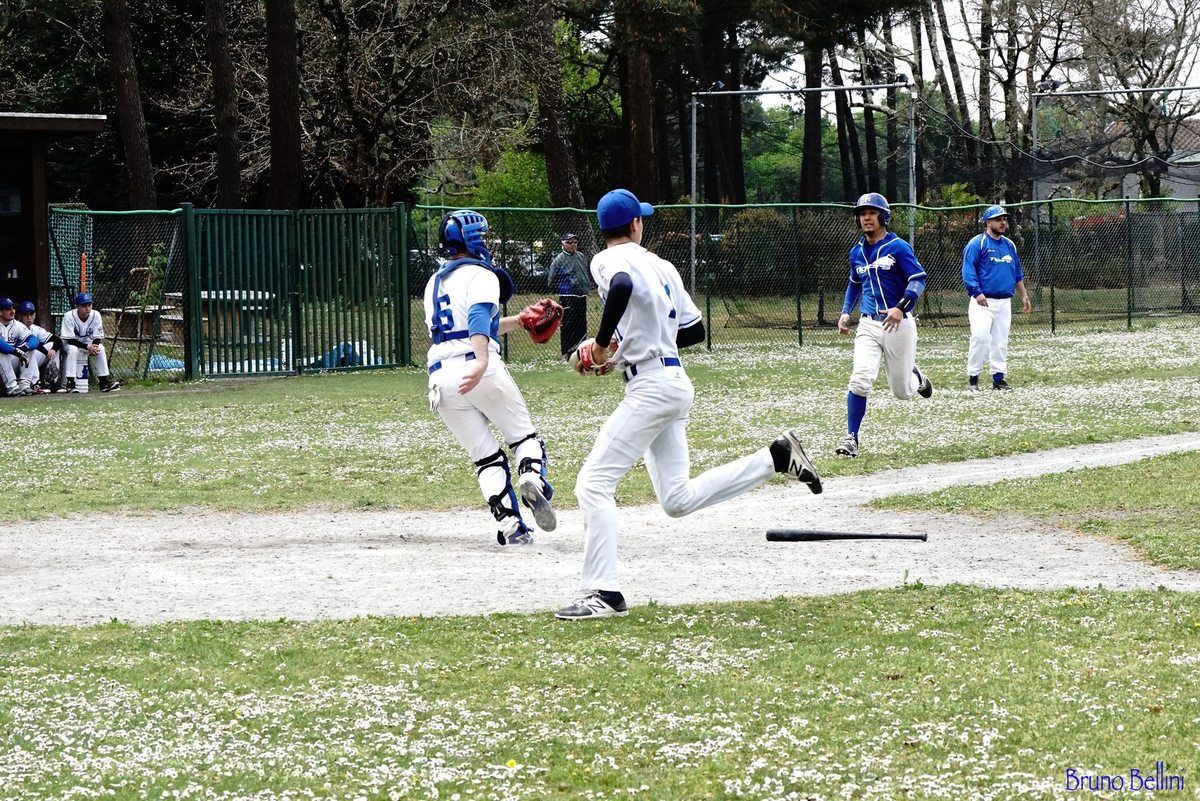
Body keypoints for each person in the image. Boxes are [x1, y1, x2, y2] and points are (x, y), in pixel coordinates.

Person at [557, 188, 823, 621]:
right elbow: (694, 331)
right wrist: (622, 352)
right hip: (672, 380)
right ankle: (774, 458)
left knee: (593, 484)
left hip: (651, 387)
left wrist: (603, 346)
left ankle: (603, 592)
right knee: (676, 499)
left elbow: (621, 285)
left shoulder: (606, 259)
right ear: (635, 224)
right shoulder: (663, 266)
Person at [424, 209, 558, 546]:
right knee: (524, 438)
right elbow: (477, 316)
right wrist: (482, 360)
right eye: (482, 236)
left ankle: (511, 526)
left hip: (441, 379)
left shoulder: (434, 282)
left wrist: (519, 321)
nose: (486, 241)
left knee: (485, 457)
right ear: (470, 239)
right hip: (477, 366)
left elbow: (469, 328)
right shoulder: (481, 274)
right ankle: (532, 478)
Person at [835, 193, 933, 458]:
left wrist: (901, 307)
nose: (866, 218)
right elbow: (854, 284)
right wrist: (845, 312)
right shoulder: (856, 252)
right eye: (862, 213)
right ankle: (851, 438)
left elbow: (918, 279)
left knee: (902, 392)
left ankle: (917, 378)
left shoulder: (898, 247)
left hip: (898, 325)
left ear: (883, 216)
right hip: (868, 324)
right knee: (860, 379)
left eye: (872, 212)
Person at [961, 205, 1032, 391]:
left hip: (1004, 302)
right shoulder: (978, 243)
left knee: (1000, 341)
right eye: (998, 219)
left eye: (1004, 219)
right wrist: (976, 292)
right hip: (982, 301)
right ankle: (973, 377)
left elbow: (1017, 272)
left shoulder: (1009, 245)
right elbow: (968, 270)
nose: (1003, 222)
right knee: (980, 337)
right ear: (987, 222)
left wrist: (1024, 295)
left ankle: (999, 378)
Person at [61, 292, 121, 393]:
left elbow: (98, 336)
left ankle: (103, 382)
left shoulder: (95, 315)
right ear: (77, 306)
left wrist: (94, 346)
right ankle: (70, 383)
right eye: (84, 305)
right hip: (69, 344)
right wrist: (88, 347)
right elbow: (70, 339)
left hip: (87, 344)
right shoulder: (69, 316)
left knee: (100, 348)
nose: (87, 308)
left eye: (89, 305)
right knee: (73, 349)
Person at [547, 232, 591, 357]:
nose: (573, 245)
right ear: (563, 244)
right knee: (568, 324)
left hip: (581, 295)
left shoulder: (581, 256)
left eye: (575, 242)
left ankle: (581, 350)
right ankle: (567, 352)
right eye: (570, 242)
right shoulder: (558, 260)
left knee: (581, 324)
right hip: (567, 296)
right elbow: (551, 280)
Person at [17, 301, 66, 392]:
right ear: (20, 316)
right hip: (18, 361)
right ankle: (35, 384)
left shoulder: (35, 328)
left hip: (31, 360)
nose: (29, 317)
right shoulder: (17, 326)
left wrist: (53, 350)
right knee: (31, 349)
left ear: (34, 315)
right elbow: (33, 344)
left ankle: (54, 382)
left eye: (31, 314)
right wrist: (46, 352)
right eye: (25, 315)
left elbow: (57, 340)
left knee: (54, 346)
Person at [0, 296, 39, 396]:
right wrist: (16, 351)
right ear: (0, 312)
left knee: (30, 349)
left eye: (13, 308)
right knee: (1, 353)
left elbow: (34, 340)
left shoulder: (16, 324)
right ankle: (12, 387)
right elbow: (1, 345)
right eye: (8, 309)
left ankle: (24, 385)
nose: (12, 311)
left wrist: (24, 347)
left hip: (10, 362)